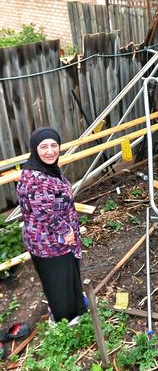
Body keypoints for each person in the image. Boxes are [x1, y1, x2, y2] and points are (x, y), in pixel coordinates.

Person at [15, 128, 86, 324]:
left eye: (54, 145)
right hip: (50, 242)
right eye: (43, 146)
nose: (50, 151)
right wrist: (67, 230)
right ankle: (66, 319)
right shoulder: (37, 179)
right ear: (34, 149)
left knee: (63, 277)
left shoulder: (45, 170)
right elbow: (44, 212)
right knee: (59, 281)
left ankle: (74, 306)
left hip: (53, 240)